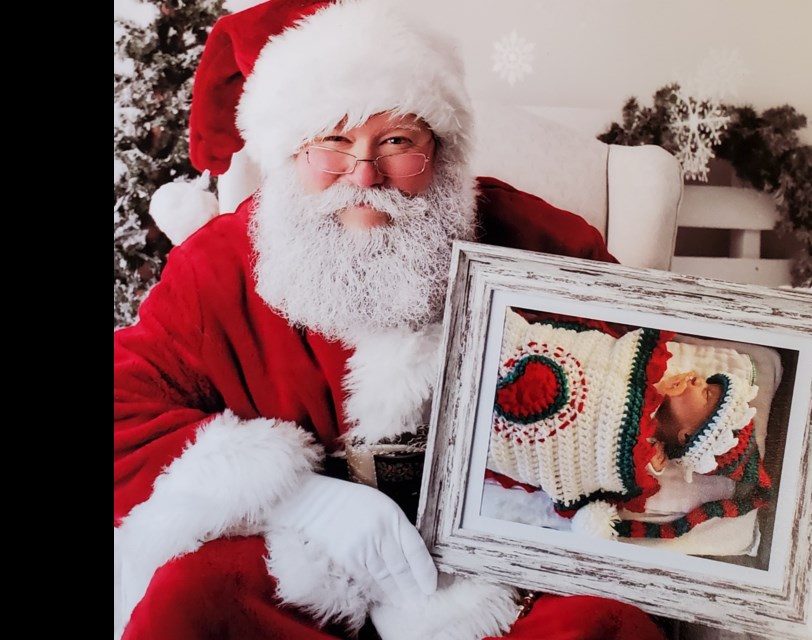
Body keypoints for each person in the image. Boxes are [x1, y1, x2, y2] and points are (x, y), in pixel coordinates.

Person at [114, 1, 670, 639]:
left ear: (440, 150)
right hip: (301, 569)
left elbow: (657, 367)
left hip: (503, 579)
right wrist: (299, 499)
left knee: (603, 623)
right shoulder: (219, 265)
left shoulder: (529, 238)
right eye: (332, 140)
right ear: (292, 152)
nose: (364, 174)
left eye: (397, 142)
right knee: (194, 601)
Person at [483, 309, 772, 542]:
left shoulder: (640, 463)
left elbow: (601, 472)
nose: (699, 380)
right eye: (709, 382)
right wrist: (656, 387)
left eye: (706, 393)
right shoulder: (643, 372)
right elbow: (607, 361)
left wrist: (651, 462)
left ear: (688, 435)